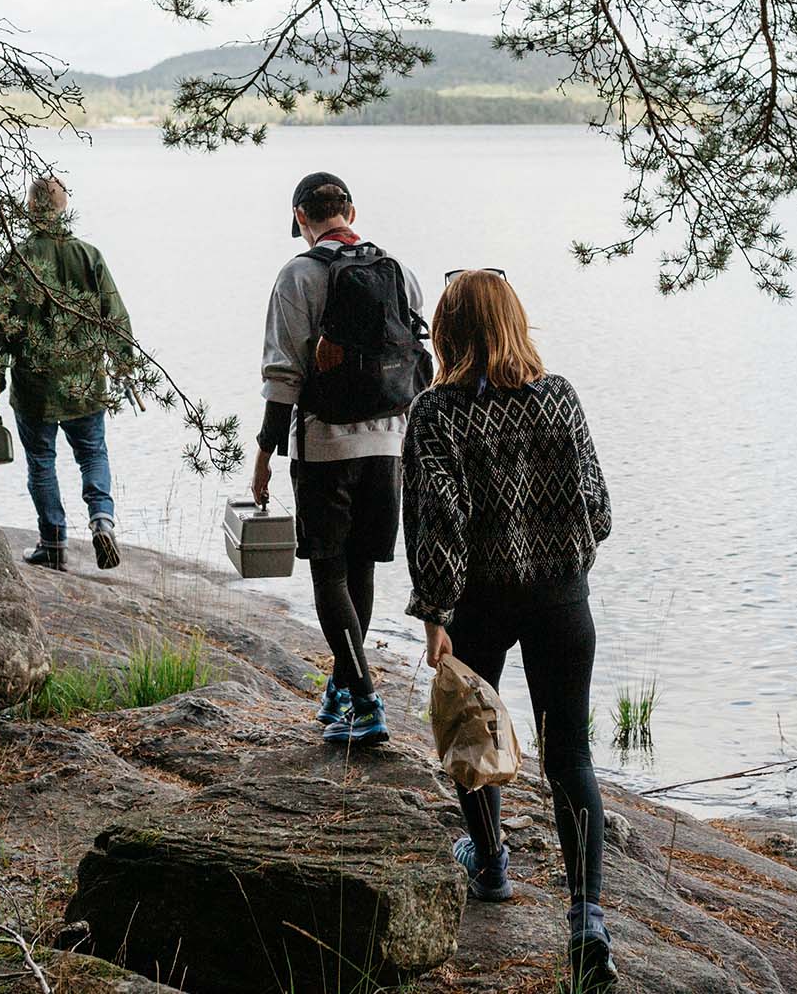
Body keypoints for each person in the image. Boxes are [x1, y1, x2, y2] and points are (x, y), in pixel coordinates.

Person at [403, 270, 617, 988]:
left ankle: (491, 864)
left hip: (480, 603)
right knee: (571, 758)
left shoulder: (438, 410)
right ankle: (587, 918)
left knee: (473, 732)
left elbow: (441, 520)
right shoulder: (560, 397)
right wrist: (565, 558)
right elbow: (601, 509)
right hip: (562, 599)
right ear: (515, 321)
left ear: (446, 330)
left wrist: (435, 611)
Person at [253, 171, 427, 745]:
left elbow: (283, 374)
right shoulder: (399, 271)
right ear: (350, 210)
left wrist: (264, 453)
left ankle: (364, 697)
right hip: (388, 444)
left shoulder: (298, 276)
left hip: (326, 444)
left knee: (328, 571)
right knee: (362, 568)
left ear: (301, 217)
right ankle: (342, 687)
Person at [0, 177, 130, 572]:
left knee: (41, 462)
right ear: (64, 209)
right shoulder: (88, 255)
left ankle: (54, 545)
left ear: (30, 210)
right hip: (85, 384)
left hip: (35, 388)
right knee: (92, 453)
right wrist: (125, 364)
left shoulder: (16, 260)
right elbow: (114, 315)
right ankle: (101, 520)